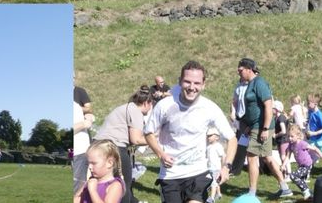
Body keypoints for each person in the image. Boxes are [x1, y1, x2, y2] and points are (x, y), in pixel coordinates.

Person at [144, 60, 237, 203]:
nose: (192, 87)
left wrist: (226, 166)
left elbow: (232, 138)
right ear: (180, 81)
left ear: (203, 84)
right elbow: (148, 132)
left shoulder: (209, 108)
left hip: (197, 173)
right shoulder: (165, 106)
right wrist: (160, 154)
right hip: (170, 175)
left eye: (197, 83)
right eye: (187, 82)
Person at [232, 58, 290, 198]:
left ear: (248, 69)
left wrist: (264, 129)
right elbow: (251, 108)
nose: (238, 73)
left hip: (261, 128)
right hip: (254, 127)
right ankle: (285, 188)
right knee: (267, 158)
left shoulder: (260, 83)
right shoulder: (250, 84)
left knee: (252, 158)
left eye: (240, 70)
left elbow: (268, 107)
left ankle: (252, 193)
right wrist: (246, 125)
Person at [93, 85, 153, 203]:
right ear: (146, 103)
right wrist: (154, 141)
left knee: (104, 183)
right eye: (151, 105)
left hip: (97, 146)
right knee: (123, 184)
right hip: (113, 147)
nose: (151, 108)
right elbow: (136, 139)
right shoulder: (136, 111)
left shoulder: (126, 107)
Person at [284, 124, 322, 200]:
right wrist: (283, 165)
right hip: (301, 165)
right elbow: (287, 156)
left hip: (307, 165)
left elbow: (314, 149)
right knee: (301, 181)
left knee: (293, 176)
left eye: (292, 136)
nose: (290, 138)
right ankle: (310, 192)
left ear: (298, 135)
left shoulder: (302, 144)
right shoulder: (291, 145)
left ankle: (306, 192)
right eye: (288, 136)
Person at [73, 84, 94, 195]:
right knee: (77, 189)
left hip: (82, 150)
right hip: (77, 152)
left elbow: (89, 109)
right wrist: (84, 124)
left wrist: (88, 117)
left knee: (81, 186)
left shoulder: (78, 95)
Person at [206, 128, 224, 203]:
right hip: (209, 167)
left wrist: (223, 167)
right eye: (208, 136)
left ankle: (212, 198)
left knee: (214, 182)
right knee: (215, 181)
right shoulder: (208, 147)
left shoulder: (218, 146)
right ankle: (219, 194)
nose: (208, 137)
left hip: (216, 168)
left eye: (210, 135)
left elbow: (223, 156)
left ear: (217, 137)